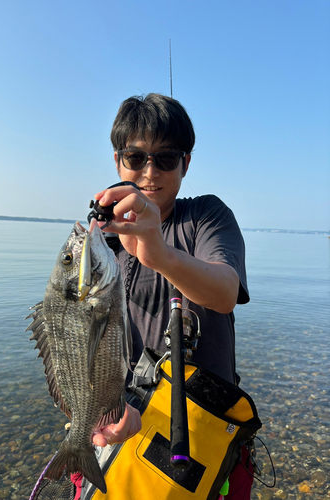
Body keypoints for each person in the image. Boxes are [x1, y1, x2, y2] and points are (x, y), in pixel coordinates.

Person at [91, 93, 252, 499]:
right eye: (135, 157)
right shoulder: (103, 241)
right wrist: (102, 414)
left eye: (165, 158)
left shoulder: (206, 217)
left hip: (205, 425)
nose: (150, 171)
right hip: (131, 418)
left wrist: (159, 253)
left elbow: (225, 292)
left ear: (186, 163)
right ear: (117, 161)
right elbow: (80, 341)